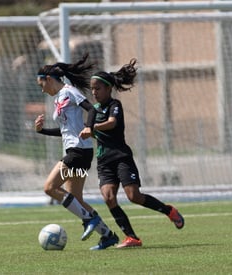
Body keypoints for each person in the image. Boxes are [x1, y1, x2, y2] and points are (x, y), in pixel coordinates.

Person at [79, 58, 185, 248]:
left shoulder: (115, 105)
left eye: (98, 89)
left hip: (121, 157)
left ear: (108, 88)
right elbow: (88, 129)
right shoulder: (93, 110)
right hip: (103, 161)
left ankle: (169, 211)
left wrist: (92, 128)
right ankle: (132, 238)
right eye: (92, 89)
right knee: (108, 197)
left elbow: (112, 123)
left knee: (133, 196)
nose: (94, 92)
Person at [34, 54, 119, 250]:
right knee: (77, 199)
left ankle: (88, 219)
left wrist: (90, 128)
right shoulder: (58, 98)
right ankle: (108, 236)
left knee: (49, 188)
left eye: (41, 84)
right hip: (77, 151)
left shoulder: (69, 91)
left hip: (78, 152)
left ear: (48, 79)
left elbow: (91, 110)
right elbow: (66, 131)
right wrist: (42, 130)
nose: (42, 89)